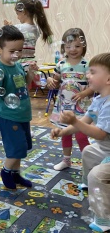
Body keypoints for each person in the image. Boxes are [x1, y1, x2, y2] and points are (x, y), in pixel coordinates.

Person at [50, 53, 110, 232]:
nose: (87, 76)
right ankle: (87, 183)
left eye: (92, 72)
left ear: (108, 78)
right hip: (105, 149)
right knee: (88, 152)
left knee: (97, 176)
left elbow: (99, 134)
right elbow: (84, 122)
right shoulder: (99, 100)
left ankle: (104, 220)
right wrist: (62, 131)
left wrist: (74, 122)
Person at [0, 25, 38, 190]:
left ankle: (16, 174)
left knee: (22, 147)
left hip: (23, 114)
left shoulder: (16, 65)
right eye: (12, 51)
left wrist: (30, 73)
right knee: (16, 148)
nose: (16, 55)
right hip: (9, 117)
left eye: (19, 50)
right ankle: (6, 171)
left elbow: (24, 84)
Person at [47, 28, 93, 171]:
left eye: (77, 46)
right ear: (63, 47)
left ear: (83, 46)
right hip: (64, 106)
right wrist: (50, 81)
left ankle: (89, 163)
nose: (73, 49)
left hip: (81, 107)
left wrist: (85, 93)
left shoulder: (87, 65)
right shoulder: (61, 64)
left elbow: (94, 86)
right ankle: (66, 160)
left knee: (81, 135)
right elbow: (55, 81)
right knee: (64, 133)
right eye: (68, 46)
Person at [4, 0, 53, 71]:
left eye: (17, 14)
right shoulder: (36, 29)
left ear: (23, 12)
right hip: (31, 64)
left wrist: (8, 27)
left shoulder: (18, 27)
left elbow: (7, 41)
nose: (17, 17)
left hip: (19, 65)